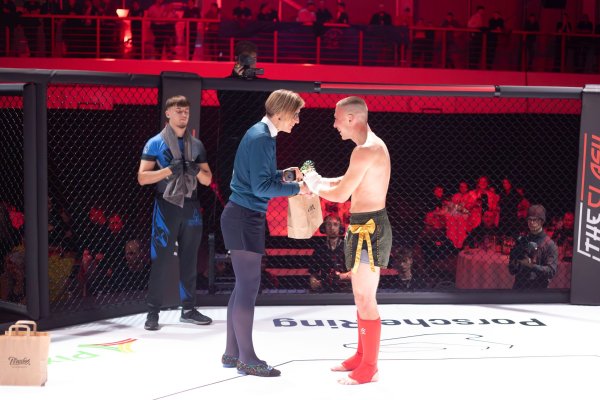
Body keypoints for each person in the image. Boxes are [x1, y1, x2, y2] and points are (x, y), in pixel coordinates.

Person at [220, 89, 309, 377]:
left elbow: (259, 178)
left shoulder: (261, 134)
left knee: (242, 287)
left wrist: (285, 175)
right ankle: (247, 359)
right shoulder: (261, 137)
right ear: (281, 113)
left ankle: (232, 353)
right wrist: (297, 189)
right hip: (244, 218)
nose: (297, 120)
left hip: (242, 215)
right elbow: (260, 188)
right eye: (295, 114)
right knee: (247, 288)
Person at [303, 96, 391, 385]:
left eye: (337, 118)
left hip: (369, 228)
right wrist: (317, 180)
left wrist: (315, 185)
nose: (334, 124)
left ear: (352, 118)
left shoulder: (367, 150)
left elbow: (341, 194)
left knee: (366, 297)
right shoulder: (365, 149)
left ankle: (370, 367)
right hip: (360, 226)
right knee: (359, 296)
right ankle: (361, 355)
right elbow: (346, 181)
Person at [138, 95, 213, 331]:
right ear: (168, 113)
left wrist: (194, 170)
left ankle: (188, 310)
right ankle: (153, 313)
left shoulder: (196, 145)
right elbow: (142, 178)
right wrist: (168, 171)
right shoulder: (155, 143)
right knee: (160, 259)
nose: (183, 115)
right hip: (166, 205)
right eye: (179, 111)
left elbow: (207, 179)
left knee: (190, 259)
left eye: (186, 111)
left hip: (191, 206)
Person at [216, 41, 270, 202]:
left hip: (255, 142)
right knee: (228, 186)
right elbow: (226, 102)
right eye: (246, 59)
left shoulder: (263, 85)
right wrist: (236, 78)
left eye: (253, 59)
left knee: (256, 186)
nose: (249, 63)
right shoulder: (226, 83)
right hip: (232, 143)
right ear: (237, 59)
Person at [508, 204, 558, 289]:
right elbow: (512, 271)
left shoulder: (550, 244)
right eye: (529, 219)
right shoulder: (522, 240)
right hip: (520, 286)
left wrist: (531, 266)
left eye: (535, 220)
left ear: (542, 221)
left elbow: (551, 271)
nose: (531, 222)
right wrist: (514, 262)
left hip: (539, 288)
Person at [310, 214, 348, 292]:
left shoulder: (347, 247)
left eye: (335, 224)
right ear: (324, 227)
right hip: (325, 288)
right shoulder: (319, 249)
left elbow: (355, 272)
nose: (332, 228)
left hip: (345, 289)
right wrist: (313, 282)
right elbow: (313, 273)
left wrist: (341, 276)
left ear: (340, 227)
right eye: (328, 224)